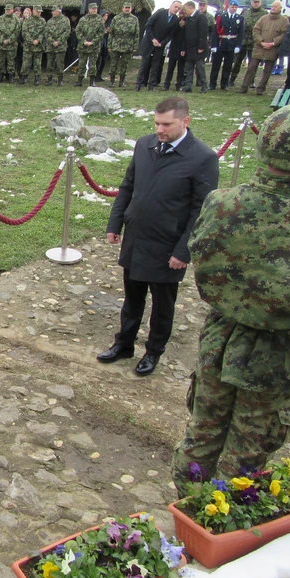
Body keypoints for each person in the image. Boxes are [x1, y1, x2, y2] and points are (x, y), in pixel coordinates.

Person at [171, 104, 290, 489]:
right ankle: (220, 530)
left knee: (201, 437)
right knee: (245, 459)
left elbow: (206, 271)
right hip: (278, 357)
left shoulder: (221, 204)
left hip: (219, 341)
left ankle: (186, 517)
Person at [98, 96, 219, 377]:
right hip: (137, 237)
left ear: (185, 121)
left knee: (163, 305)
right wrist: (115, 223)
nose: (160, 130)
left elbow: (201, 211)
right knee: (132, 298)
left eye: (167, 124)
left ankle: (154, 351)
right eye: (156, 123)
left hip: (168, 246)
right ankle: (124, 344)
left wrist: (184, 251)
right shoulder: (145, 145)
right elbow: (127, 187)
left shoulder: (203, 157)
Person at [239, 0, 289, 96]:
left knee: (267, 70)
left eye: (275, 6)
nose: (273, 8)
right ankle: (244, 87)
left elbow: (284, 34)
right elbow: (256, 30)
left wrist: (273, 42)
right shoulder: (263, 18)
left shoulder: (284, 20)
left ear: (280, 8)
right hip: (259, 47)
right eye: (272, 6)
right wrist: (261, 41)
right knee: (251, 67)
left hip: (272, 48)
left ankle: (260, 89)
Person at [136, 0, 181, 91]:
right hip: (149, 42)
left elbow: (171, 35)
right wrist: (153, 39)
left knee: (155, 66)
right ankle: (138, 85)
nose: (176, 9)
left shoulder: (176, 20)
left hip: (160, 46)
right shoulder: (161, 12)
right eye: (175, 6)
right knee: (144, 65)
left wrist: (162, 43)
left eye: (178, 8)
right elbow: (148, 26)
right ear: (171, 5)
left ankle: (151, 86)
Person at [229, 0, 267, 88]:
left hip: (255, 42)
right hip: (243, 41)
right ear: (251, 2)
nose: (256, 3)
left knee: (252, 63)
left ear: (260, 3)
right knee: (237, 61)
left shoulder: (264, 14)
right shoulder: (246, 12)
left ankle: (251, 81)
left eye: (257, 2)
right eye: (254, 2)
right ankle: (232, 79)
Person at [209, 0, 244, 91]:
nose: (234, 8)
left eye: (235, 7)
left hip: (231, 44)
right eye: (232, 6)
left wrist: (238, 46)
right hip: (221, 43)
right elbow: (215, 32)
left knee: (228, 66)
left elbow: (241, 34)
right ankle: (212, 84)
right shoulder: (221, 17)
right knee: (216, 65)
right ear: (228, 7)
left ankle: (224, 84)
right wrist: (214, 45)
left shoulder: (239, 18)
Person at [107, 3, 140, 88]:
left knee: (124, 65)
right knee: (113, 64)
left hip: (128, 45)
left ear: (131, 9)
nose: (127, 9)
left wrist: (135, 46)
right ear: (122, 8)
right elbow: (111, 33)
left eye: (129, 8)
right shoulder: (116, 18)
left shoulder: (134, 19)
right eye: (126, 8)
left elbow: (136, 34)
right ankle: (112, 81)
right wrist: (109, 45)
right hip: (116, 44)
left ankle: (122, 81)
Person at [180, 1, 209, 93]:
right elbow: (185, 34)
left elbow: (203, 33)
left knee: (200, 68)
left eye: (185, 10)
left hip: (198, 48)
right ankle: (188, 86)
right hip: (189, 48)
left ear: (190, 8)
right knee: (188, 68)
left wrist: (201, 47)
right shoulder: (188, 18)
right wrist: (183, 48)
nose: (185, 12)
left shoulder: (201, 17)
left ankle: (204, 86)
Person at [75, 3, 105, 87]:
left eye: (95, 8)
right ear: (89, 9)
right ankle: (79, 81)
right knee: (81, 64)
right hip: (83, 46)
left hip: (94, 46)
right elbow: (78, 31)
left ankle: (92, 81)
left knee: (93, 64)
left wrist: (93, 41)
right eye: (93, 8)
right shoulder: (83, 19)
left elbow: (101, 32)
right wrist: (83, 41)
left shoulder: (99, 19)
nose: (94, 10)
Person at [161, 7, 187, 91]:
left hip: (183, 48)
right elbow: (172, 33)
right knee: (170, 68)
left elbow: (186, 37)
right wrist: (179, 26)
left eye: (183, 14)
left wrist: (184, 49)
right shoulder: (175, 21)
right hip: (174, 48)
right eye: (180, 14)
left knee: (181, 69)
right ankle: (166, 84)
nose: (181, 16)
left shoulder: (189, 22)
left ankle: (179, 85)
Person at [45, 5, 70, 87]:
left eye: (53, 11)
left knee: (60, 64)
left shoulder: (65, 20)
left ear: (58, 11)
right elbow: (47, 33)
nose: (52, 12)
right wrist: (52, 41)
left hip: (61, 46)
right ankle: (49, 79)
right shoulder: (49, 22)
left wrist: (58, 41)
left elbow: (67, 32)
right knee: (49, 64)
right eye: (52, 11)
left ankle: (60, 79)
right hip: (50, 46)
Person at [20, 6, 46, 86]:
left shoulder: (42, 21)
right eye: (38, 11)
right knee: (25, 63)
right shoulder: (27, 20)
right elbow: (24, 32)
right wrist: (31, 41)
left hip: (38, 46)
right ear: (33, 11)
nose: (39, 13)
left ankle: (37, 79)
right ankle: (23, 77)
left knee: (37, 64)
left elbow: (44, 32)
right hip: (28, 46)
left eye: (40, 11)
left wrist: (38, 40)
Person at [0, 4, 19, 83]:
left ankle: (10, 76)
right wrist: (2, 40)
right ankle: (0, 76)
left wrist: (9, 40)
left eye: (9, 9)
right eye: (6, 9)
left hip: (11, 45)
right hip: (1, 44)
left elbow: (17, 32)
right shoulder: (0, 18)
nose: (7, 11)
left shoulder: (16, 20)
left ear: (12, 10)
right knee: (1, 60)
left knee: (11, 61)